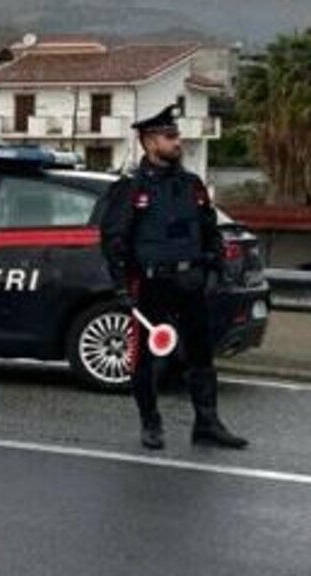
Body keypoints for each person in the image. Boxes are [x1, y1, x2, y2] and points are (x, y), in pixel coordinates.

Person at [100, 104, 249, 451]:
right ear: (149, 142)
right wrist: (121, 285)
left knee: (201, 355)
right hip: (152, 284)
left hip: (191, 282)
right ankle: (151, 424)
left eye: (176, 135)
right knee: (147, 359)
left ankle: (207, 423)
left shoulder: (191, 185)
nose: (177, 142)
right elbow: (114, 240)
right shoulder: (131, 188)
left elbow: (210, 230)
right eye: (169, 136)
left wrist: (214, 267)